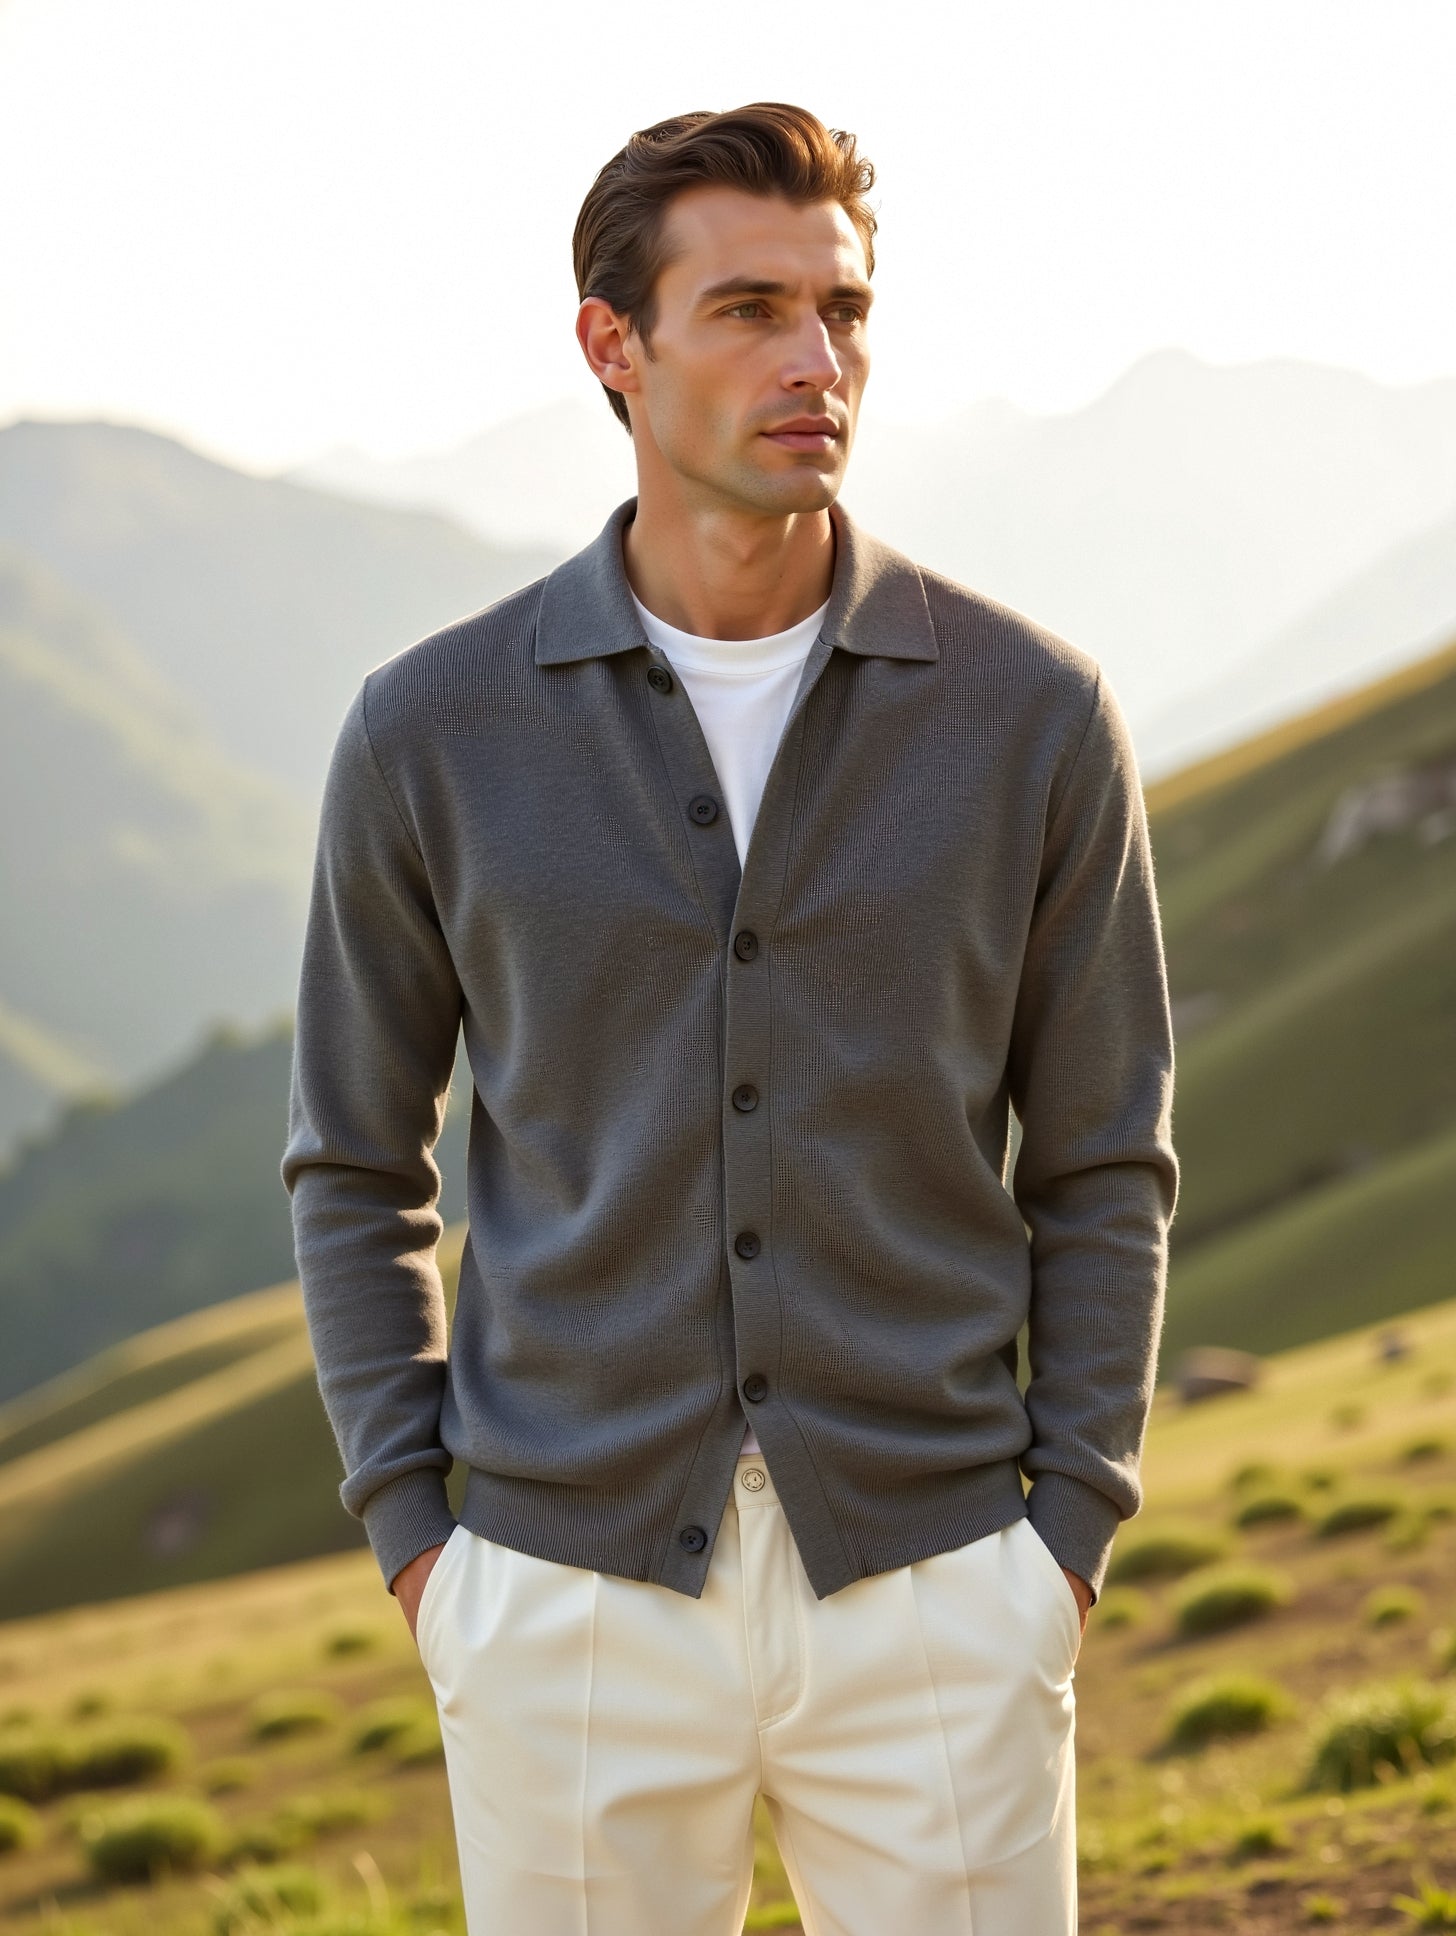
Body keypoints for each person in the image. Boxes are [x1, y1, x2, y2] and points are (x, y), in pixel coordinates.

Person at [282, 100, 1179, 1936]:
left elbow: (1105, 1159)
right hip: (561, 1598)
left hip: (938, 1583)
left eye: (842, 312)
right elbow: (355, 1159)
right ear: (614, 345)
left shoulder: (1032, 717)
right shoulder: (431, 730)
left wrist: (1062, 1541)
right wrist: (424, 1552)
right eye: (751, 308)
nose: (816, 360)